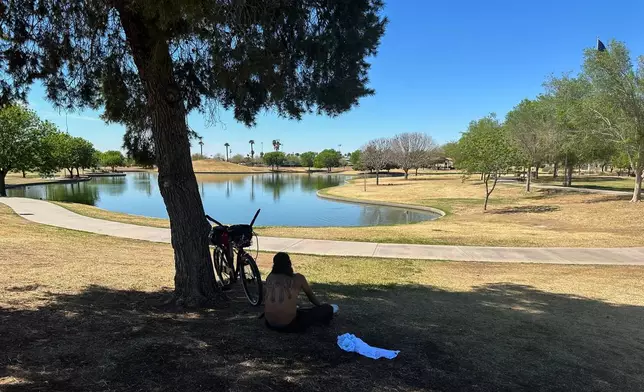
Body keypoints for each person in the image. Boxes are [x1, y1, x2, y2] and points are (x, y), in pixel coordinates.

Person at [263, 252, 335, 333]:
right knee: (328, 308)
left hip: (269, 323)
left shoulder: (270, 277)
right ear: (289, 263)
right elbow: (311, 297)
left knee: (300, 311)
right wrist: (321, 307)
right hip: (289, 324)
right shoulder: (298, 278)